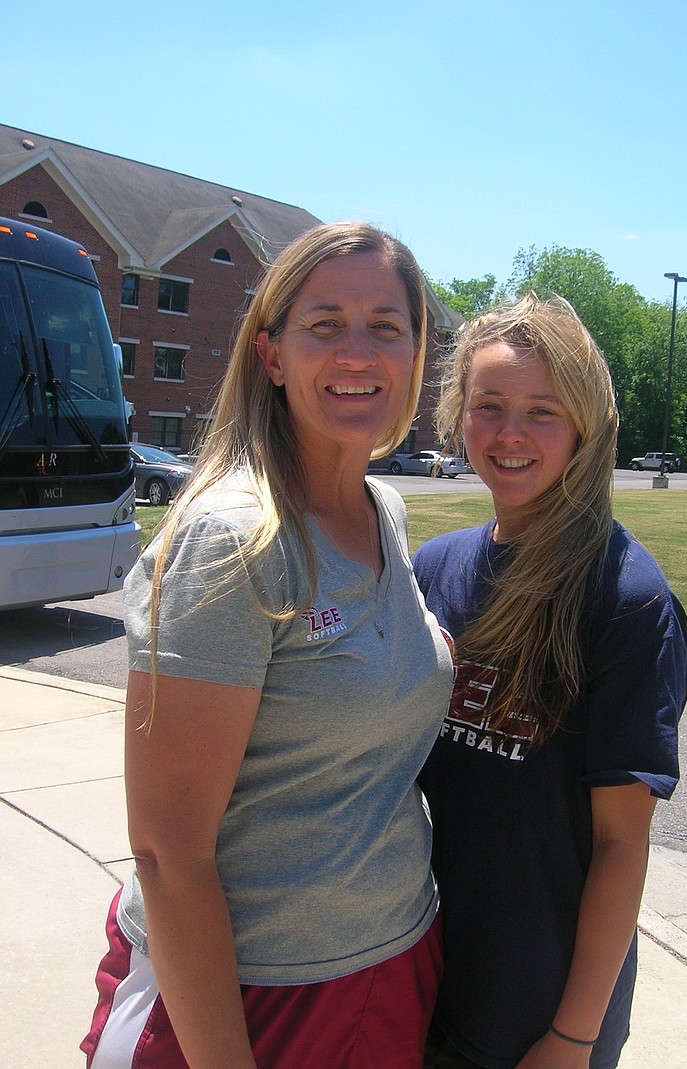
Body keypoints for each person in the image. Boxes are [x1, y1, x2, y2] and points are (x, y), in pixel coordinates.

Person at [81, 222, 454, 1069]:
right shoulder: (233, 539)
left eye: (386, 327)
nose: (357, 351)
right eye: (324, 323)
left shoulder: (386, 513)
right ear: (273, 354)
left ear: (416, 354)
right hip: (241, 998)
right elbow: (169, 855)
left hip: (389, 961)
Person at [415, 294, 687, 1069]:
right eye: (489, 405)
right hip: (420, 968)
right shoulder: (434, 568)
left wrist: (572, 1036)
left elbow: (619, 843)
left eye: (543, 409)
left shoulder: (626, 599)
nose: (510, 433)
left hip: (537, 1010)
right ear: (457, 414)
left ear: (585, 424)